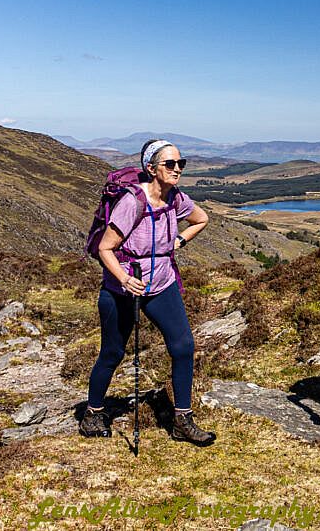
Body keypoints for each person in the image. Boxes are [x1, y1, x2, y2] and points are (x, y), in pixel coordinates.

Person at [79, 139, 215, 445]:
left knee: (183, 347)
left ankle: (182, 419)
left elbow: (201, 218)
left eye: (181, 164)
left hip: (162, 283)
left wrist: (178, 242)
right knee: (112, 353)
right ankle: (93, 414)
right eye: (170, 164)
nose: (177, 169)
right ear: (151, 168)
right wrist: (125, 280)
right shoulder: (132, 202)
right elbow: (105, 248)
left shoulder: (175, 198)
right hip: (122, 289)